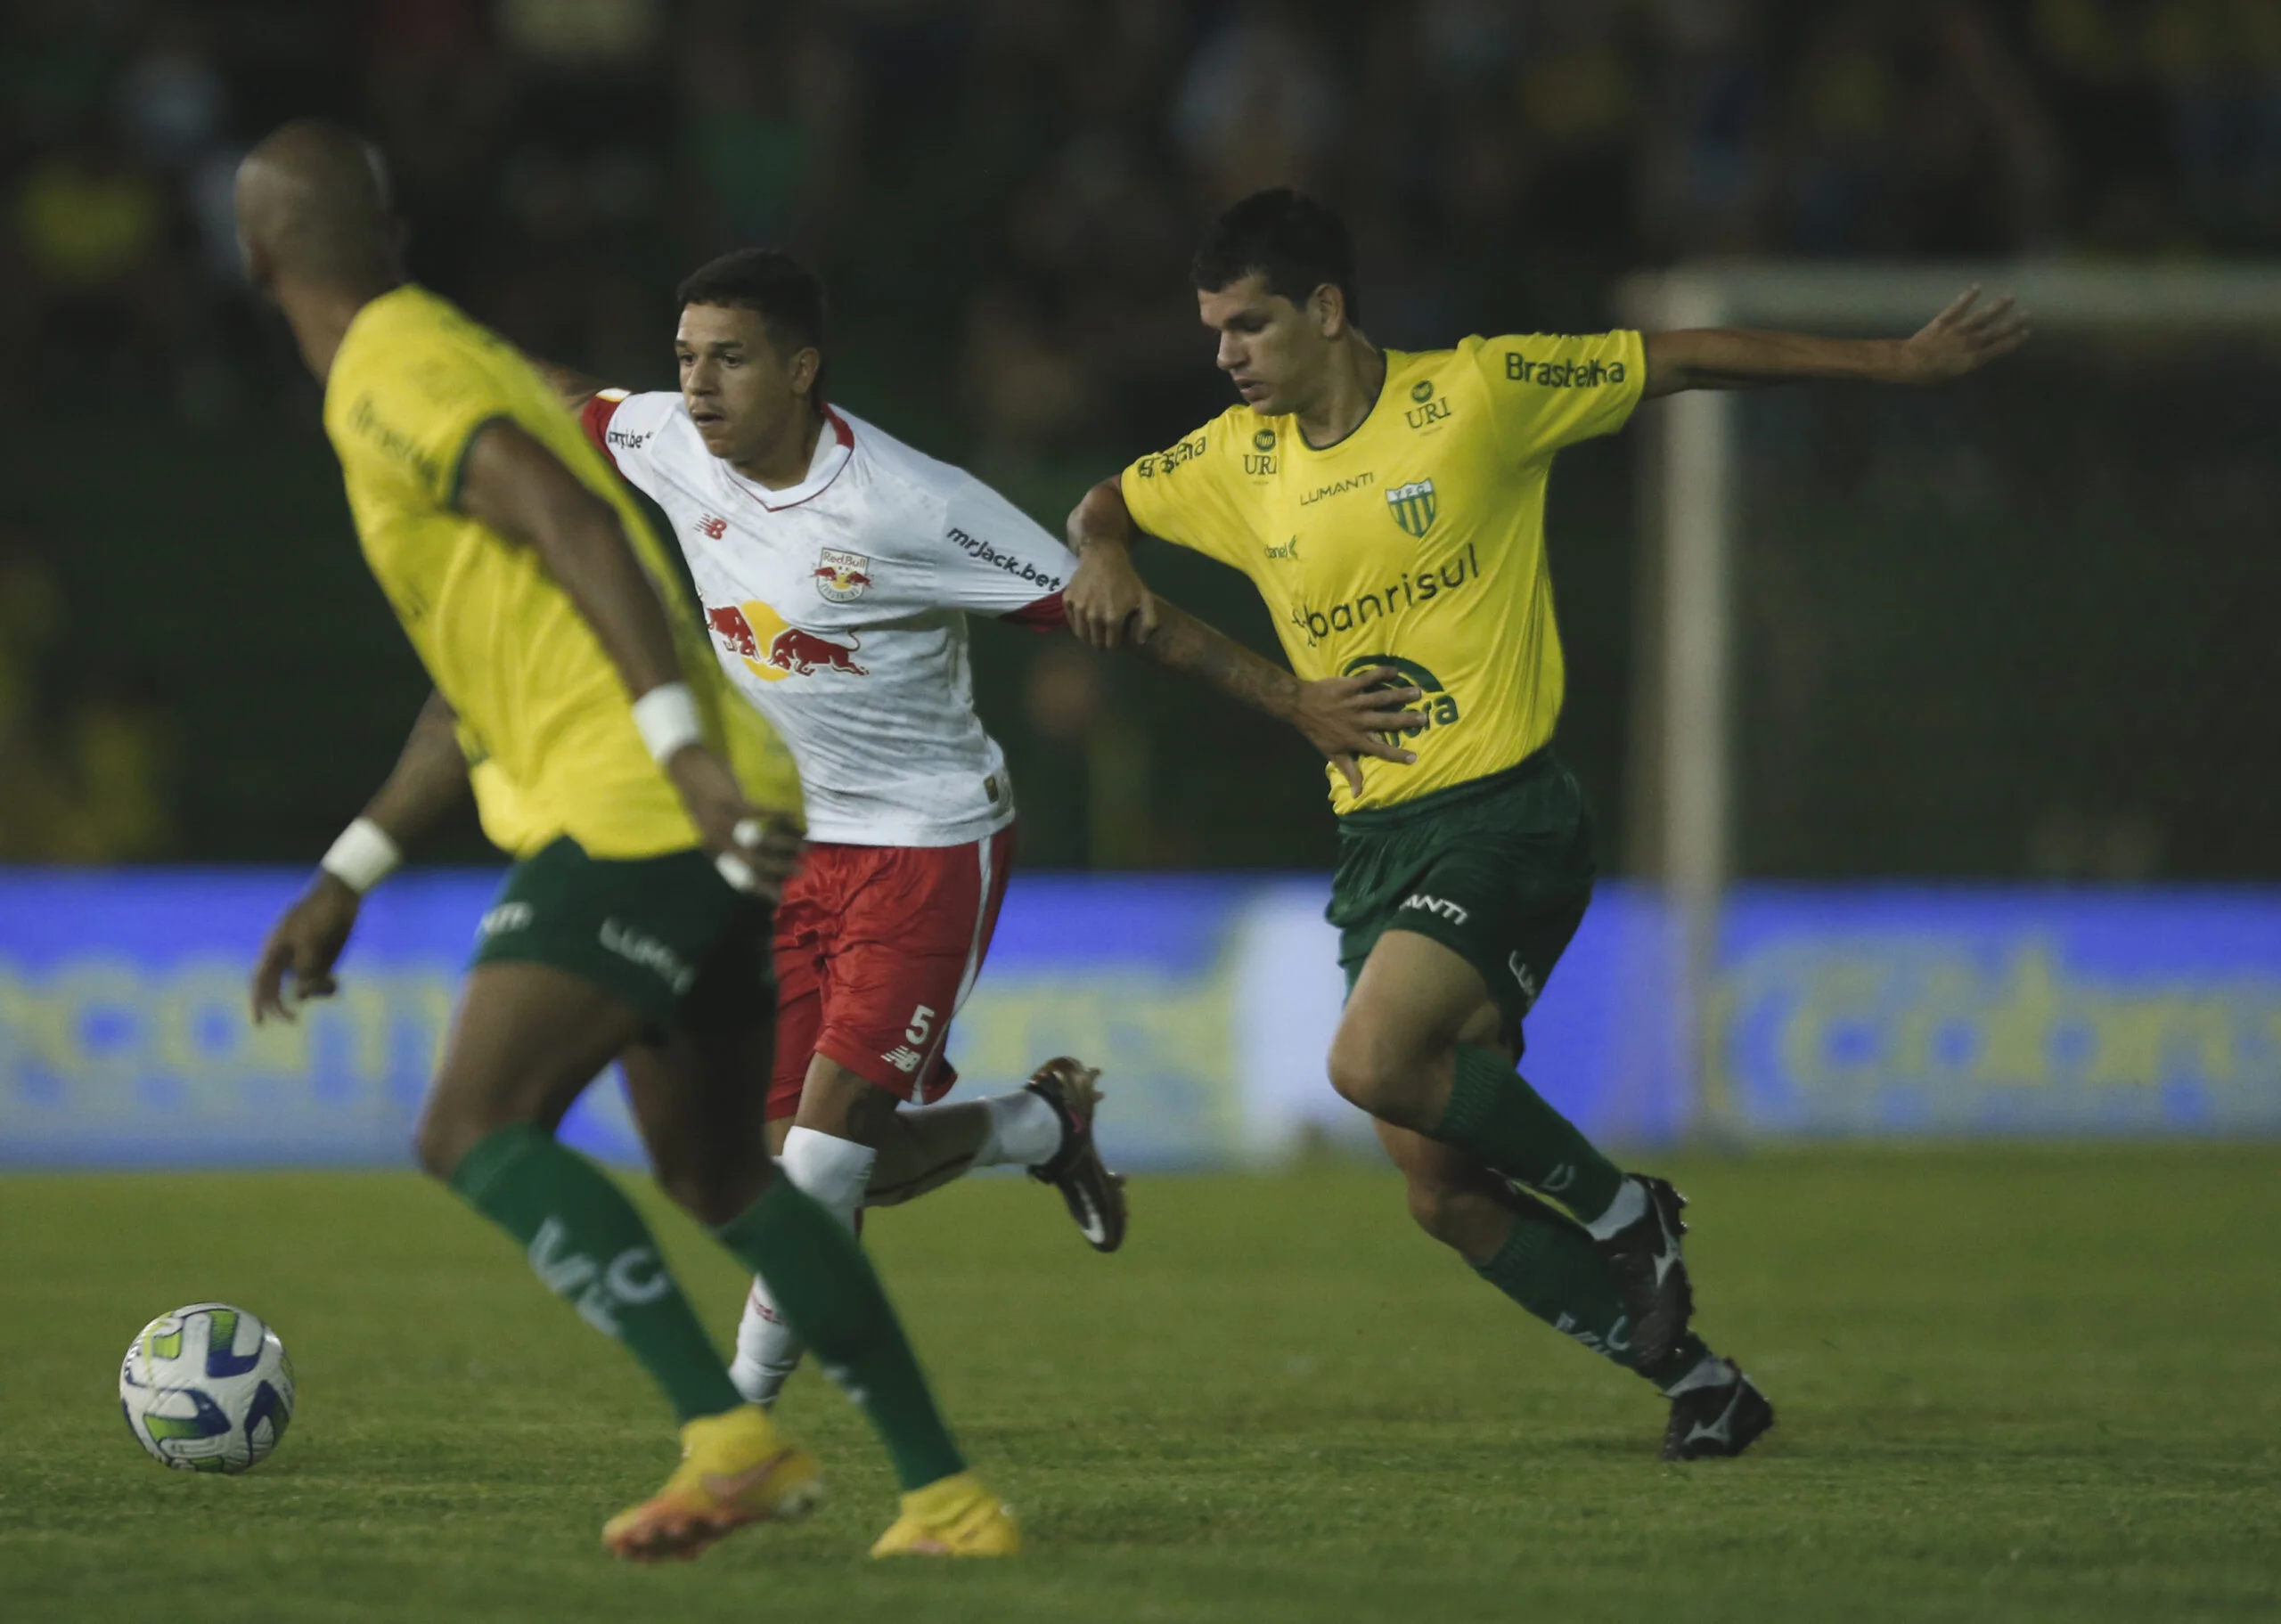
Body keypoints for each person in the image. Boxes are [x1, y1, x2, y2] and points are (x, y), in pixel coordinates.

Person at [1064, 188, 2029, 1459]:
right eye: (1215, 330)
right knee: (1438, 1188)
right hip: (1380, 846)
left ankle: (1631, 1213)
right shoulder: (1236, 464)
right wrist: (1104, 548)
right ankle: (1700, 1382)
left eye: (1249, 325)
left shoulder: (1478, 394)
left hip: (1508, 815)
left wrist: (1892, 361)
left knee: (1365, 1059)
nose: (1227, 355)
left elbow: (1684, 360)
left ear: (1329, 310)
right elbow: (1107, 504)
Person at [233, 118, 1015, 1560]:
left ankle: (732, 1444)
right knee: (724, 1177)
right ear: (391, 234)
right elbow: (474, 683)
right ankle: (949, 1502)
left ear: (259, 254)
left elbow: (578, 538)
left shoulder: (388, 377)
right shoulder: (453, 356)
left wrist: (672, 751)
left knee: (472, 1125)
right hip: (713, 799)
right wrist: (351, 869)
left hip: (648, 806)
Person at [539, 247, 1421, 1408]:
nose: (698, 386)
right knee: (798, 1156)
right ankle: (1035, 1125)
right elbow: (559, 404)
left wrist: (1295, 701)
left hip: (924, 846)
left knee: (823, 1160)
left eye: (731, 360)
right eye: (687, 359)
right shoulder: (666, 442)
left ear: (803, 370)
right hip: (779, 847)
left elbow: (1120, 613)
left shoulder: (912, 504)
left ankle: (729, 1425)